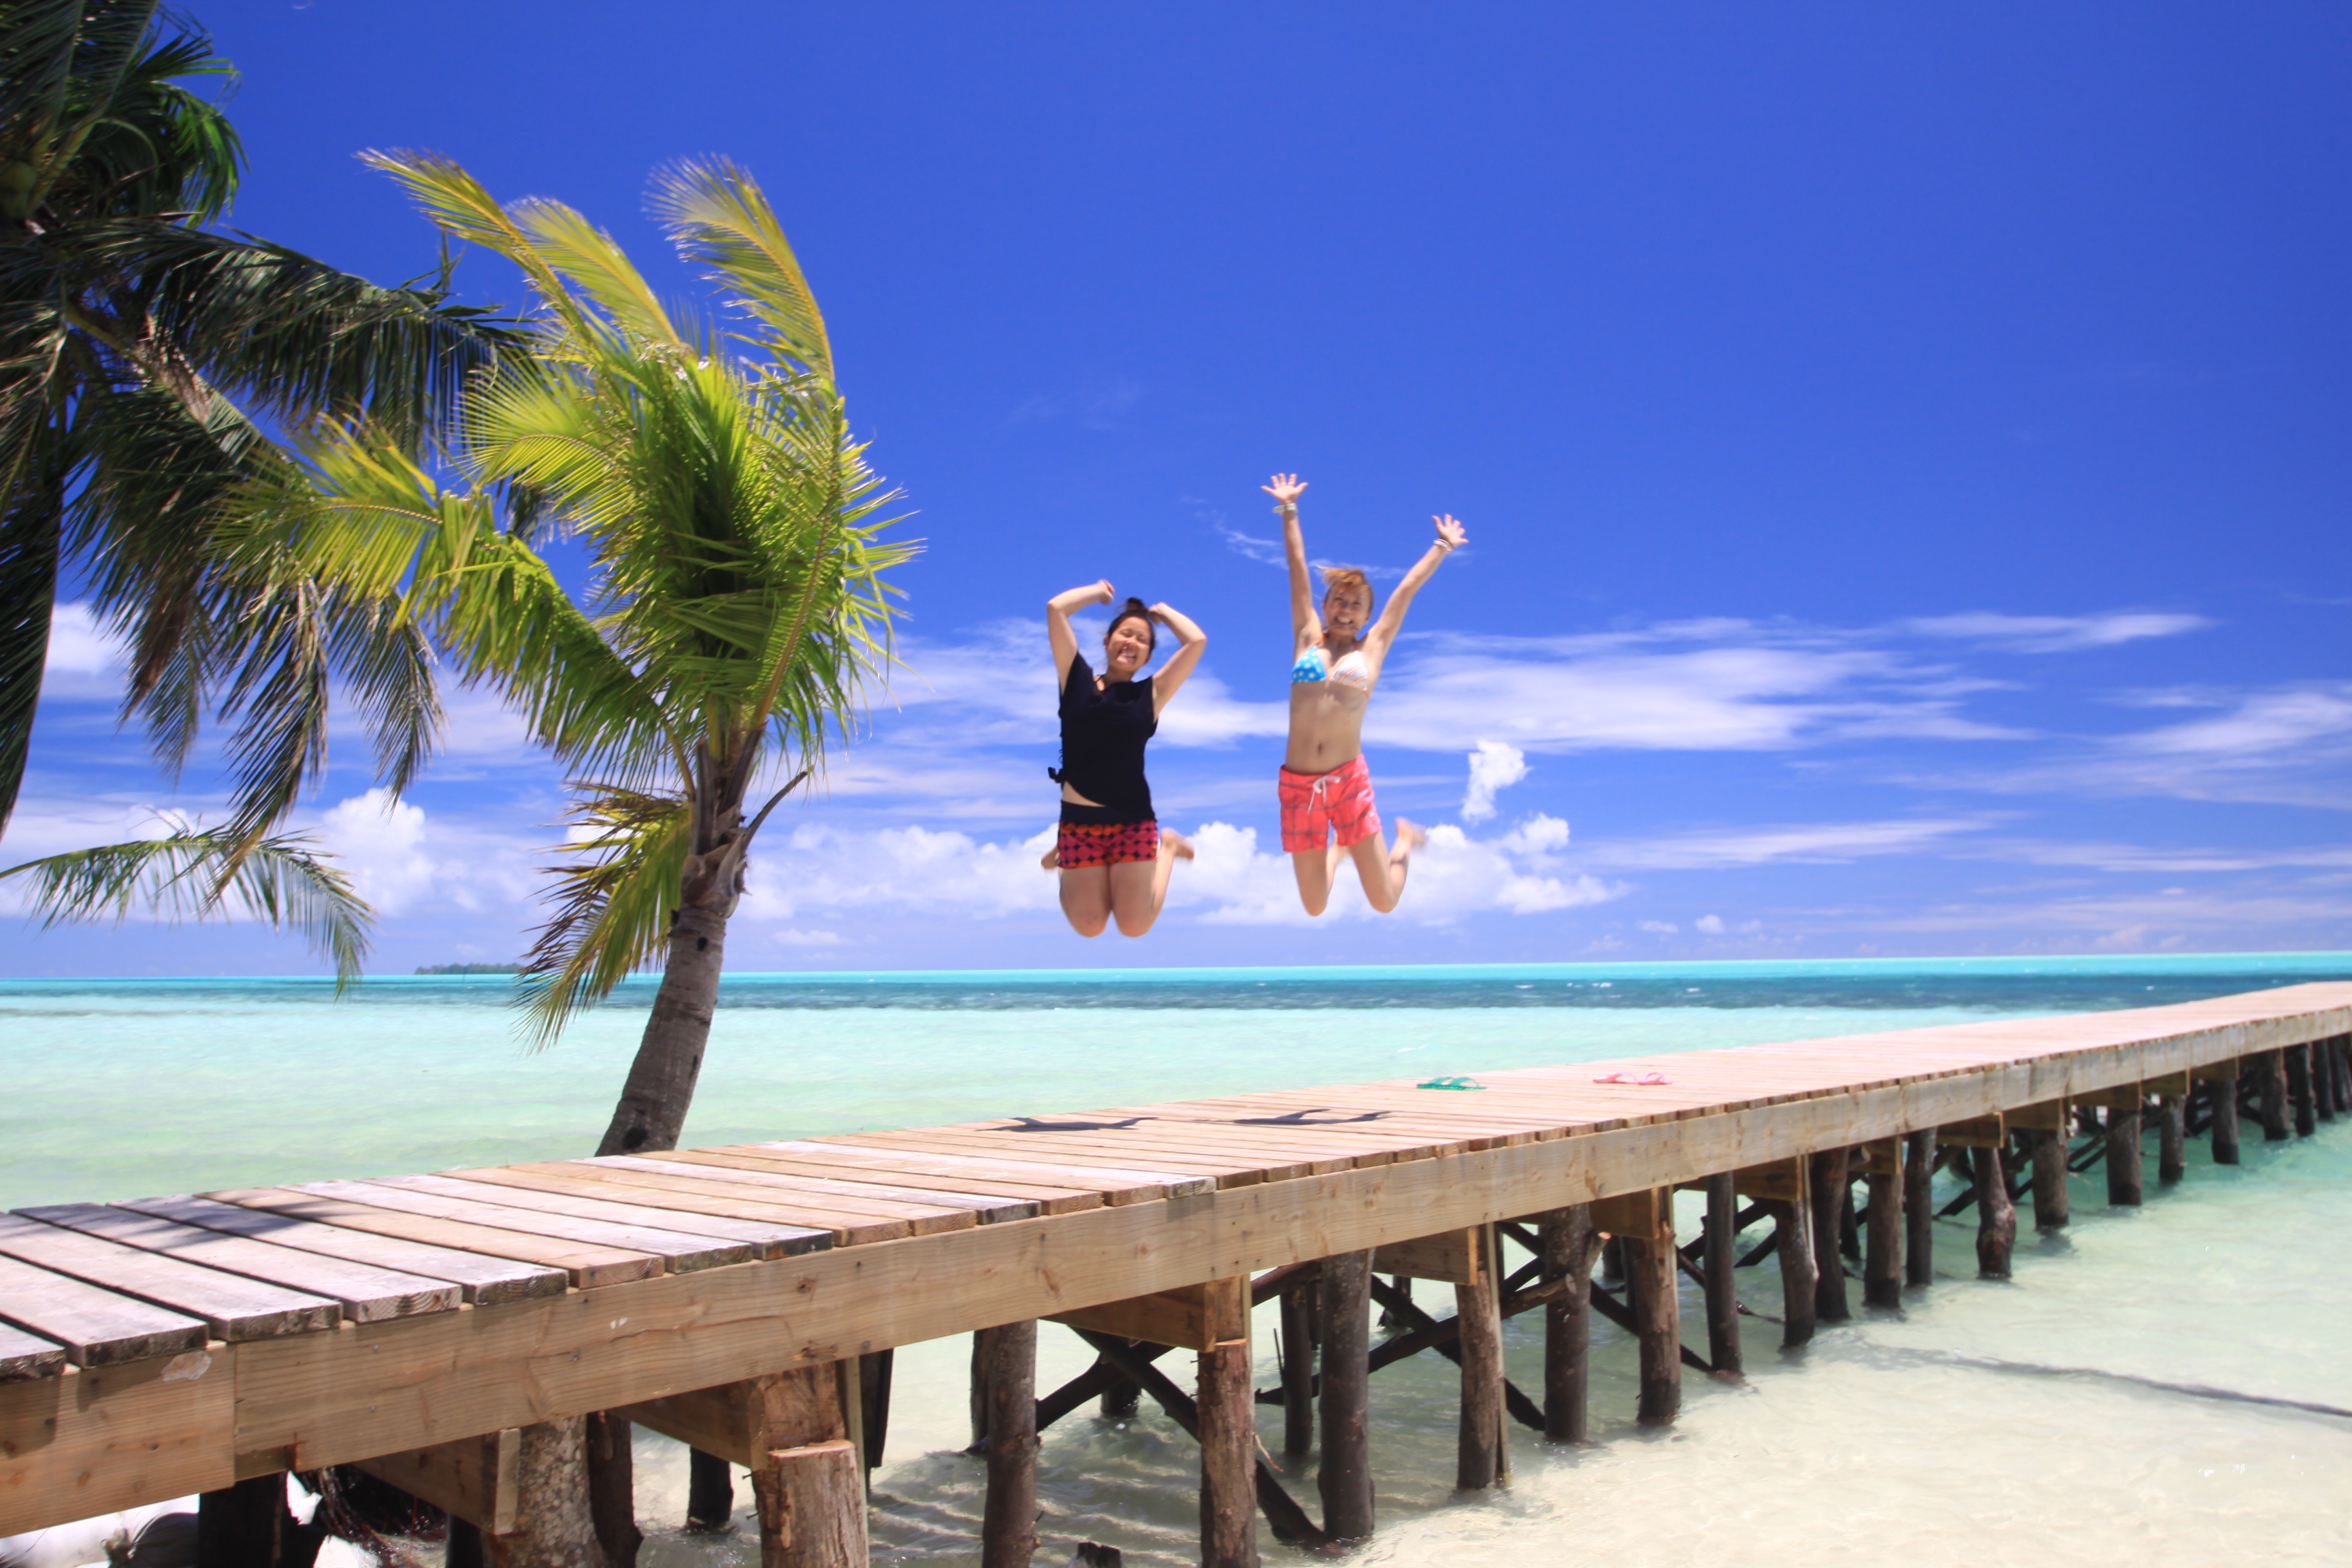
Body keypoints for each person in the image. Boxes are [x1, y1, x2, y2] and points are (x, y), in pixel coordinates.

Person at [1264, 472, 1465, 915]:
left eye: (1356, 604)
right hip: (1299, 788)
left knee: (1385, 902)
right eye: (1339, 599)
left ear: (1367, 615)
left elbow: (1405, 592)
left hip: (1348, 782)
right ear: (1326, 605)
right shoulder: (1306, 639)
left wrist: (1442, 546)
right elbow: (1298, 569)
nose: (1346, 608)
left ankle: (1405, 842)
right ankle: (1338, 850)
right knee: (1314, 906)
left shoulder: (1371, 650)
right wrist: (1289, 509)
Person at [1041, 581, 1206, 936]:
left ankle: (1170, 847)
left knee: (1135, 926)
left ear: (1147, 658)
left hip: (1132, 820)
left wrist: (1161, 612)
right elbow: (1056, 609)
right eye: (1125, 634)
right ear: (1107, 640)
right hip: (1079, 822)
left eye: (1142, 640)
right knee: (1090, 926)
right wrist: (1098, 592)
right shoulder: (1076, 680)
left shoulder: (1151, 694)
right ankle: (1063, 858)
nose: (1132, 643)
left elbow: (1196, 642)